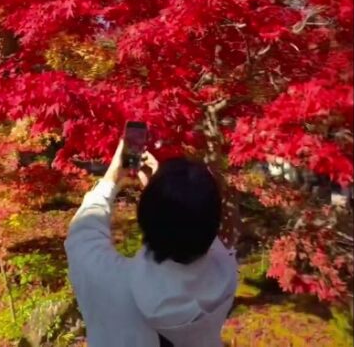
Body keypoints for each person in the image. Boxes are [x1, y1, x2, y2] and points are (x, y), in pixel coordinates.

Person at [64, 136, 238, 347]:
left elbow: (83, 231)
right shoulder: (224, 275)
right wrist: (166, 191)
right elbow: (195, 222)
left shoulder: (109, 282)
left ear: (143, 214)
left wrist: (112, 178)